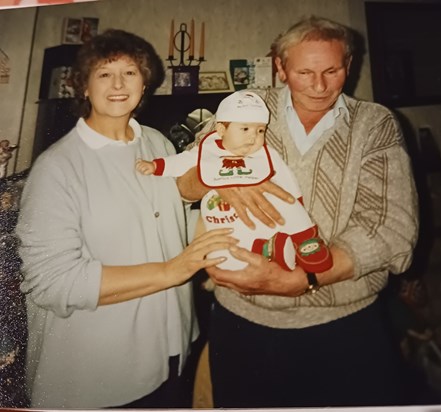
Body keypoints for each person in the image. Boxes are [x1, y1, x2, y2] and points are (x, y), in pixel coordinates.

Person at [176, 16, 419, 408]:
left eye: (332, 70)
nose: (319, 85)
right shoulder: (247, 107)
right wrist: (220, 177)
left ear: (350, 66)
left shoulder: (375, 124)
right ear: (280, 68)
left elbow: (392, 229)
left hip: (345, 328)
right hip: (242, 324)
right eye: (304, 71)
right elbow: (184, 184)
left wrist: (299, 279)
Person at [15, 29, 236, 409]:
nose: (118, 84)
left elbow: (167, 224)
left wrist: (230, 216)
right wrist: (172, 270)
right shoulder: (56, 169)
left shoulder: (158, 144)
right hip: (97, 374)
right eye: (103, 73)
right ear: (83, 86)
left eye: (130, 72)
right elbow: (52, 282)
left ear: (144, 82)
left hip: (171, 347)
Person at [136, 90, 332, 273]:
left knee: (286, 201)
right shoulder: (208, 151)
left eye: (260, 131)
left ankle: (305, 239)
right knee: (223, 246)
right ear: (221, 129)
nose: (253, 138)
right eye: (245, 129)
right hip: (224, 211)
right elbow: (182, 162)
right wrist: (157, 166)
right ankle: (269, 248)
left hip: (268, 205)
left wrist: (296, 200)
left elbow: (285, 177)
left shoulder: (265, 154)